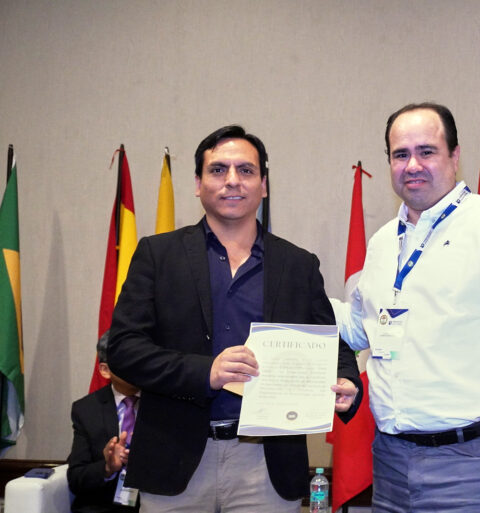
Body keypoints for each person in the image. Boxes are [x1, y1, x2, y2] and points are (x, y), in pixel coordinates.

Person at [107, 125, 361, 513]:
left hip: (266, 465)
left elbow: (332, 345)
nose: (232, 180)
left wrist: (347, 380)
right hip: (174, 460)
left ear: (264, 185)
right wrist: (205, 372)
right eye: (218, 170)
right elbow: (124, 349)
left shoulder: (298, 264)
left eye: (245, 170)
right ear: (198, 184)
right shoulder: (158, 255)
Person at [331, 102, 480, 512]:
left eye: (426, 151)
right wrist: (292, 291)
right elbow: (358, 327)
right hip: (391, 465)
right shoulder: (384, 242)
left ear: (455, 156)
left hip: (477, 465)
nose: (412, 165)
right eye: (400, 154)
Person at [67, 331, 140, 513]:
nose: (136, 366)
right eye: (127, 360)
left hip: (156, 504)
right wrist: (107, 467)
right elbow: (76, 477)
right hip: (103, 506)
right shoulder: (86, 409)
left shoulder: (164, 404)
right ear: (105, 370)